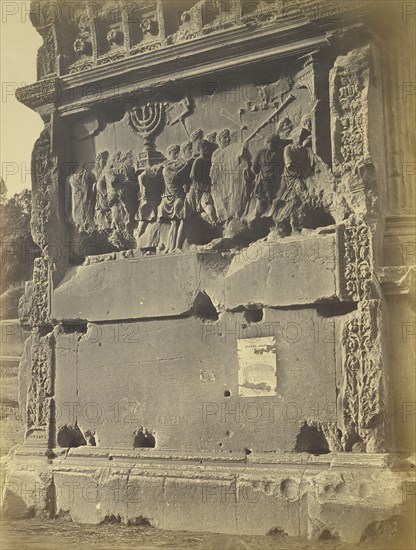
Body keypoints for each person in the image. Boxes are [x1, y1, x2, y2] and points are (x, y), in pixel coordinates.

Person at [251, 133, 287, 217]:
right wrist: (256, 173)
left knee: (274, 203)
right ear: (266, 143)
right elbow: (254, 166)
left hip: (275, 181)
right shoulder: (261, 152)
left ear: (276, 143)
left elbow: (285, 165)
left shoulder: (280, 153)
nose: (270, 144)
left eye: (272, 142)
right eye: (268, 142)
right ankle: (256, 219)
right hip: (262, 181)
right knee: (260, 205)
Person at [187, 139, 218, 224]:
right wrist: (201, 185)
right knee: (194, 208)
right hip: (197, 188)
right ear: (199, 149)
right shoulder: (198, 160)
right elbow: (192, 176)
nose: (205, 149)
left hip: (207, 186)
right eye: (203, 147)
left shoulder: (209, 160)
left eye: (206, 147)